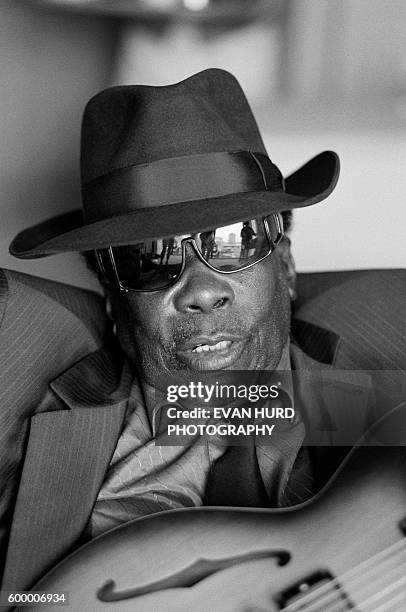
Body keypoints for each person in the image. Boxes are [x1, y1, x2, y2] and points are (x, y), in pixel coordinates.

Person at [1, 69, 405, 598]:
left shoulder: (377, 386)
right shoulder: (24, 393)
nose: (200, 289)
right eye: (149, 258)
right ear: (114, 305)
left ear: (284, 266)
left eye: (232, 241)